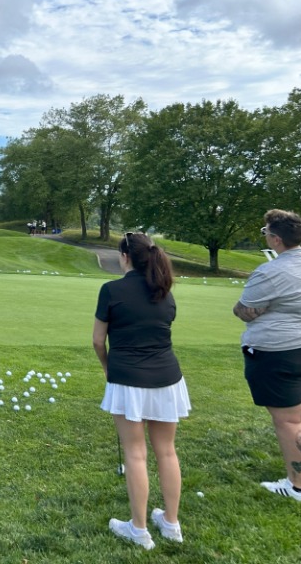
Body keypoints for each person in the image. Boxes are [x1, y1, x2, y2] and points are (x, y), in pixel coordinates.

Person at [93, 232, 190, 550]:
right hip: (168, 379)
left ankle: (139, 529)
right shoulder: (165, 291)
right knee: (167, 451)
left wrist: (108, 368)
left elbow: (97, 341)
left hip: (129, 381)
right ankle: (171, 523)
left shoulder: (111, 290)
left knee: (136, 454)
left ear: (125, 257)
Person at [233, 209, 301, 503]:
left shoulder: (271, 272)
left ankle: (298, 485)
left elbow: (243, 310)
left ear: (275, 239)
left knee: (289, 421)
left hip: (278, 353)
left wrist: (260, 310)